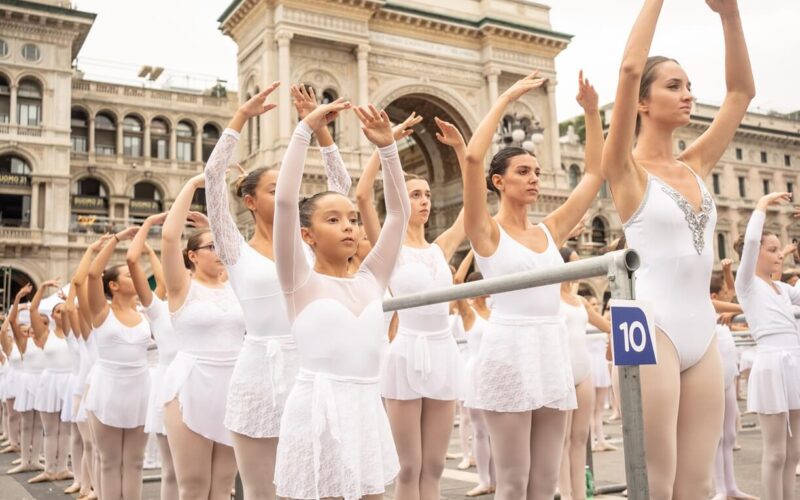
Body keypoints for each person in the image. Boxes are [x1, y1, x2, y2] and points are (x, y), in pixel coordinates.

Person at [601, 0, 754, 495]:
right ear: (642, 103)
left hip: (700, 330)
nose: (688, 95)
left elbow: (740, 92)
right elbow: (628, 69)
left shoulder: (696, 163)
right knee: (654, 479)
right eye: (674, 85)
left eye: (689, 85)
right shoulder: (624, 169)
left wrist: (729, 15)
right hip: (642, 322)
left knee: (698, 482)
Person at [460, 68, 605, 499]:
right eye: (524, 170)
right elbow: (471, 159)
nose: (535, 177)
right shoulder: (485, 232)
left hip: (550, 350)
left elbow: (594, 175)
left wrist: (592, 113)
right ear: (499, 182)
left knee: (546, 482)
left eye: (537, 170)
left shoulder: (550, 231)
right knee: (512, 481)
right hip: (508, 350)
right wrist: (505, 98)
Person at [204, 83, 352, 500]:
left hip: (313, 367)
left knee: (321, 486)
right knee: (262, 491)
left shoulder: (308, 243)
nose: (290, 194)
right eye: (274, 190)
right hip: (258, 373)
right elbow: (214, 178)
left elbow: (342, 192)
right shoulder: (234, 250)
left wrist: (322, 130)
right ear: (250, 201)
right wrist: (241, 118)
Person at [273, 99, 408, 499]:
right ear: (307, 235)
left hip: (366, 411)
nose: (348, 226)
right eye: (333, 220)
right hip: (316, 411)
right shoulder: (298, 281)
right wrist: (304, 131)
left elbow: (397, 215)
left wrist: (388, 149)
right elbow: (284, 203)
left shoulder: (371, 278)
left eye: (351, 218)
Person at [357, 110, 467, 499]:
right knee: (409, 466)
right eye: (414, 194)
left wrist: (464, 152)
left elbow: (473, 208)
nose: (423, 201)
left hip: (442, 352)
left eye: (427, 195)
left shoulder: (440, 249)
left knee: (435, 465)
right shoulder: (390, 249)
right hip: (405, 354)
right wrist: (384, 144)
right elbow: (361, 197)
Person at [161, 172, 245, 500]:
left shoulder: (237, 286)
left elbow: (239, 248)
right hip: (191, 385)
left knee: (224, 486)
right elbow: (169, 237)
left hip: (234, 386)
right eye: (212, 247)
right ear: (192, 256)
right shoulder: (183, 286)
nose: (219, 251)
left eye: (220, 245)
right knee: (194, 487)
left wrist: (215, 224)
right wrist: (195, 184)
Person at [735, 192, 800, 500]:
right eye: (772, 250)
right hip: (773, 363)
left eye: (780, 251)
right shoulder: (746, 283)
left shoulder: (782, 290)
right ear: (757, 252)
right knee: (775, 452)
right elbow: (748, 244)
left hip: (795, 362)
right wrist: (760, 205)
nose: (779, 256)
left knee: (794, 451)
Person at [83, 226, 151, 500]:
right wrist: (117, 239)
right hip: (108, 388)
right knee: (109, 463)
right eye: (126, 274)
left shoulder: (145, 312)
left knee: (135, 463)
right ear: (113, 285)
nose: (133, 276)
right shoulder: (102, 312)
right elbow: (91, 274)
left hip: (140, 388)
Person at [126, 212, 179, 500]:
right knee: (172, 472)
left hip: (205, 384)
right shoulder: (158, 308)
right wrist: (147, 230)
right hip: (169, 387)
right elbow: (133, 263)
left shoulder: (199, 304)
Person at [557, 248, 611, 500]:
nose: (580, 269)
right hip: (562, 372)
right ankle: (565, 495)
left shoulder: (579, 301)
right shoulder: (551, 297)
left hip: (584, 371)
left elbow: (607, 326)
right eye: (575, 264)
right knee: (563, 440)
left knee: (580, 439)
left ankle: (580, 496)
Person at [454, 252, 495, 497]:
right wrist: (473, 250)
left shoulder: (495, 309)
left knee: (497, 431)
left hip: (496, 370)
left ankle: (497, 480)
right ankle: (483, 480)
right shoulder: (469, 313)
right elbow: (457, 281)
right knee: (480, 430)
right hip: (476, 371)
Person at [29, 280, 73, 484]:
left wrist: (70, 300)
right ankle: (49, 469)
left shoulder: (76, 334)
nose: (61, 312)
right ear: (51, 316)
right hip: (50, 381)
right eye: (57, 311)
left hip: (69, 380)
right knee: (50, 429)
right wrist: (42, 287)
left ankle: (62, 468)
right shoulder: (44, 334)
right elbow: (33, 309)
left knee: (65, 429)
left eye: (64, 310)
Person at [7, 286, 45, 474]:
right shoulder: (24, 343)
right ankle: (24, 460)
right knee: (27, 422)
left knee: (39, 424)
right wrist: (17, 299)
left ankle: (36, 459)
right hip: (27, 382)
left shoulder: (47, 341)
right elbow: (12, 321)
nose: (32, 331)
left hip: (43, 383)